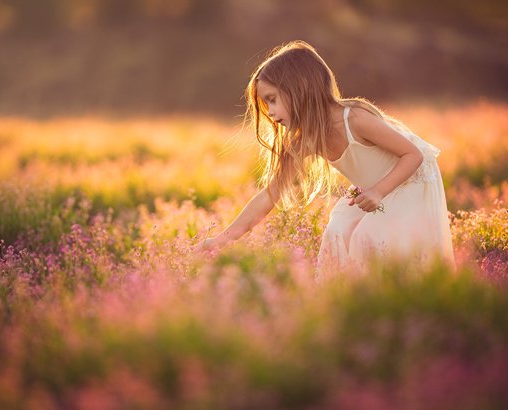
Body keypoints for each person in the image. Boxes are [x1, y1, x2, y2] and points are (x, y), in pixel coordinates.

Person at [193, 40, 455, 279]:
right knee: (338, 231)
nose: (271, 113)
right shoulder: (303, 139)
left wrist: (378, 191)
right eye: (266, 105)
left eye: (272, 100)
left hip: (412, 180)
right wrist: (223, 239)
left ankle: (398, 299)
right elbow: (269, 194)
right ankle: (348, 301)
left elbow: (414, 155)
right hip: (374, 189)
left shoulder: (354, 120)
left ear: (299, 88)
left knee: (371, 238)